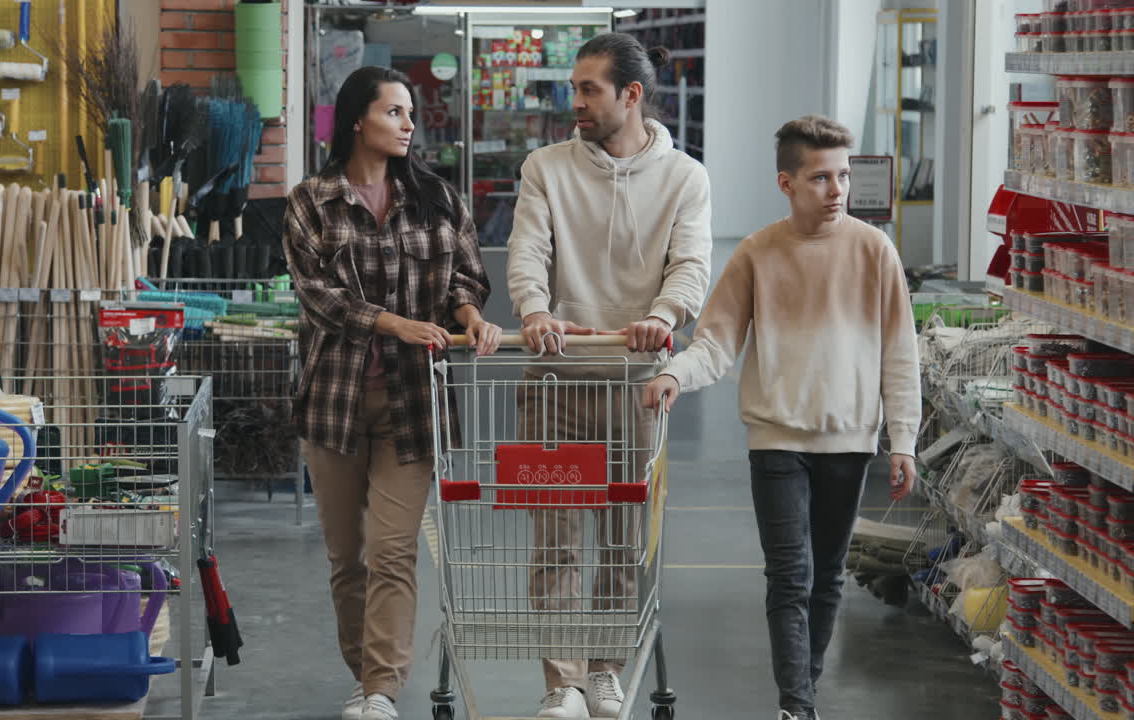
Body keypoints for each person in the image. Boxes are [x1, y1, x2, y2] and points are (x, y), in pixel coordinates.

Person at [642, 115, 922, 720]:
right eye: (821, 177)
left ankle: (804, 694)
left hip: (849, 442)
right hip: (776, 441)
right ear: (786, 183)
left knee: (826, 580)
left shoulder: (875, 252)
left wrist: (903, 440)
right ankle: (795, 706)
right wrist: (673, 375)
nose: (838, 189)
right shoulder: (757, 253)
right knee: (790, 577)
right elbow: (715, 343)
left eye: (843, 175)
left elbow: (901, 355)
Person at [282, 66, 500, 720]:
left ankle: (381, 689)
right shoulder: (311, 200)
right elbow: (316, 295)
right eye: (394, 112)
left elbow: (466, 276)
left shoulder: (436, 196)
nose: (409, 124)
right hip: (335, 403)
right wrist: (390, 321)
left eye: (410, 114)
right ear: (357, 119)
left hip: (413, 402)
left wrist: (469, 316)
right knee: (348, 558)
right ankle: (365, 674)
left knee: (394, 549)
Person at [506, 32, 712, 719]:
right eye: (575, 87)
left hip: (634, 383)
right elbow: (528, 250)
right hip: (556, 379)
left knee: (624, 540)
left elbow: (689, 264)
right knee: (555, 538)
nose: (577, 102)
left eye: (590, 89)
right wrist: (534, 311)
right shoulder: (546, 166)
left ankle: (604, 669)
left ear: (631, 94)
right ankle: (561, 683)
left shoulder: (686, 177)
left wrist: (664, 313)